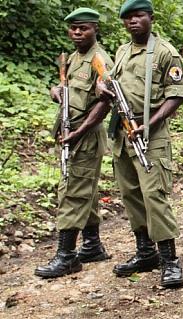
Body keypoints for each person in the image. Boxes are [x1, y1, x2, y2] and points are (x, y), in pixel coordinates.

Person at [97, 0, 183, 289]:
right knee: (132, 196)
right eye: (128, 18)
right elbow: (115, 84)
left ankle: (170, 260)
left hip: (151, 134)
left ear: (151, 18)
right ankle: (146, 252)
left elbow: (176, 95)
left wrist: (148, 124)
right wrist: (103, 88)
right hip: (123, 133)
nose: (133, 21)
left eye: (139, 16)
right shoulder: (122, 51)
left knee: (155, 197)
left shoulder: (165, 53)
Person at [35, 7, 113, 279]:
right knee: (85, 188)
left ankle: (66, 257)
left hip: (84, 135)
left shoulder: (99, 59)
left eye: (84, 28)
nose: (77, 32)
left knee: (71, 191)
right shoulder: (75, 58)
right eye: (73, 28)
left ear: (95, 29)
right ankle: (92, 246)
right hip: (73, 132)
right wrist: (57, 92)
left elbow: (106, 102)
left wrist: (80, 132)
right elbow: (72, 92)